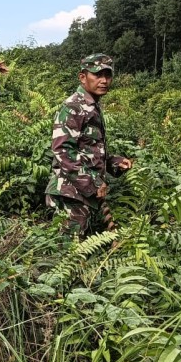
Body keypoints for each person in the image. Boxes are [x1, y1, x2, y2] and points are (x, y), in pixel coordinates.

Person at [45, 53, 132, 236]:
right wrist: (92, 183)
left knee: (75, 256)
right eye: (97, 75)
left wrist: (114, 163)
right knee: (66, 257)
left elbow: (89, 150)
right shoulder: (74, 107)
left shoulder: (92, 106)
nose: (104, 80)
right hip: (69, 194)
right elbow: (62, 150)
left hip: (79, 194)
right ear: (82, 77)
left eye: (108, 75)